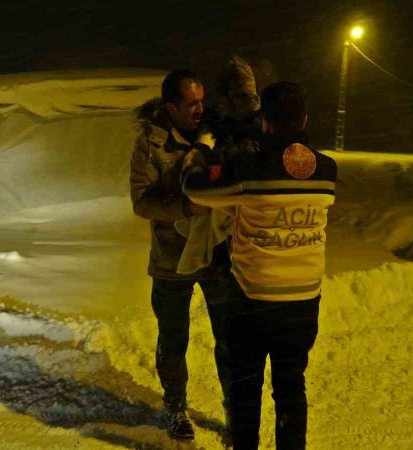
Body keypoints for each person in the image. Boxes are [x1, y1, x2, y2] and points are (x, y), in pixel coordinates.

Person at [182, 81, 337, 449]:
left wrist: (202, 147)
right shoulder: (327, 171)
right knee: (290, 387)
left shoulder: (249, 171)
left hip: (253, 298)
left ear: (264, 122)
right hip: (303, 301)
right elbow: (294, 167)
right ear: (305, 119)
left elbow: (194, 187)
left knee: (245, 388)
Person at [129, 69, 231, 440]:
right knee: (173, 338)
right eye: (190, 103)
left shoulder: (217, 134)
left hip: (215, 255)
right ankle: (175, 408)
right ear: (170, 106)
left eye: (202, 100)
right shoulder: (151, 144)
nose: (199, 109)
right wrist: (187, 207)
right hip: (171, 258)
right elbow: (142, 202)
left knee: (229, 338)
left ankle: (235, 409)